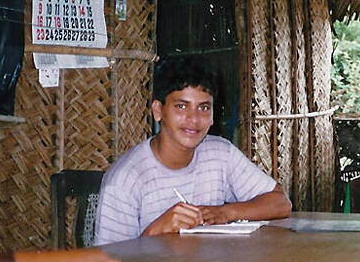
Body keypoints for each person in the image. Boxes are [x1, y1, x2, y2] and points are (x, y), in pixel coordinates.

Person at [94, 57, 291, 245]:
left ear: (213, 116)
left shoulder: (221, 154)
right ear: (158, 110)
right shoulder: (125, 179)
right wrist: (155, 232)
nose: (194, 119)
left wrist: (225, 212)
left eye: (203, 108)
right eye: (181, 106)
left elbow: (280, 203)